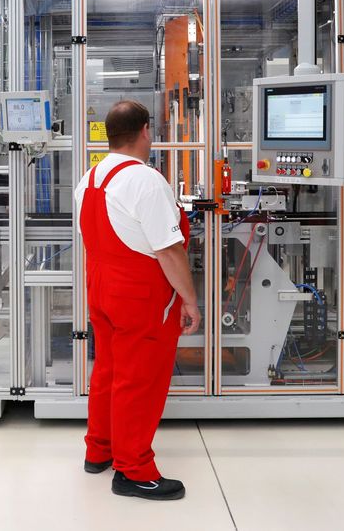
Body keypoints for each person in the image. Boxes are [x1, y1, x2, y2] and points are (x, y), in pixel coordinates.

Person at [74, 100, 201, 501]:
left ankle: (100, 450)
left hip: (101, 287)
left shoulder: (91, 177)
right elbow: (169, 250)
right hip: (140, 294)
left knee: (108, 372)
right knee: (139, 381)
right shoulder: (145, 181)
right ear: (146, 130)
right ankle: (133, 470)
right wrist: (190, 300)